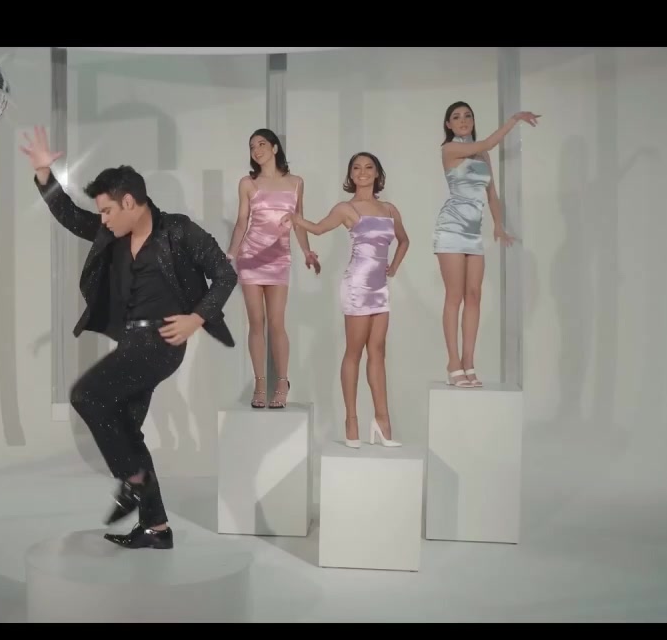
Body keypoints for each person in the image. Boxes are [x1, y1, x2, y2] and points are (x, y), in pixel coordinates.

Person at [19, 125, 238, 550]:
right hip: (131, 344)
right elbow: (70, 216)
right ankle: (157, 528)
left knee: (86, 395)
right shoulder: (114, 234)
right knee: (127, 430)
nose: (102, 219)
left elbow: (225, 275)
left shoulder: (178, 231)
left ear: (130, 203)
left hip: (163, 341)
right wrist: (45, 175)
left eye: (106, 211)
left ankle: (133, 481)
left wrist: (196, 318)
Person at [291, 152, 408, 447]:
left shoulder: (389, 209)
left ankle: (382, 421)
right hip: (356, 285)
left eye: (368, 167)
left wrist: (394, 267)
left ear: (377, 173)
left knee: (378, 351)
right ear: (350, 175)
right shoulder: (347, 208)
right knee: (354, 351)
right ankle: (351, 421)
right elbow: (318, 227)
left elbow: (404, 240)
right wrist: (294, 218)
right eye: (356, 168)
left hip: (380, 288)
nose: (362, 172)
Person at [435, 101, 539, 388]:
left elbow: (492, 193)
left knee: (474, 295)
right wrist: (514, 119)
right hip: (451, 228)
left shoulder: (482, 154)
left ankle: (468, 361)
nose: (463, 120)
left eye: (468, 115)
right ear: (448, 124)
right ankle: (453, 362)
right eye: (456, 117)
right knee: (454, 296)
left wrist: (498, 225)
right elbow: (490, 142)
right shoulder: (450, 149)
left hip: (473, 232)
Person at [225, 129, 320, 409]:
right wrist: (231, 254)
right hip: (251, 257)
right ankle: (260, 383)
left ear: (275, 148)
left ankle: (282, 382)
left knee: (277, 322)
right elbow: (241, 222)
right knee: (257, 322)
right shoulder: (248, 183)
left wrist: (307, 251)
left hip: (279, 258)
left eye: (262, 144)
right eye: (252, 146)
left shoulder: (296, 182)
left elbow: (298, 222)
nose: (257, 150)